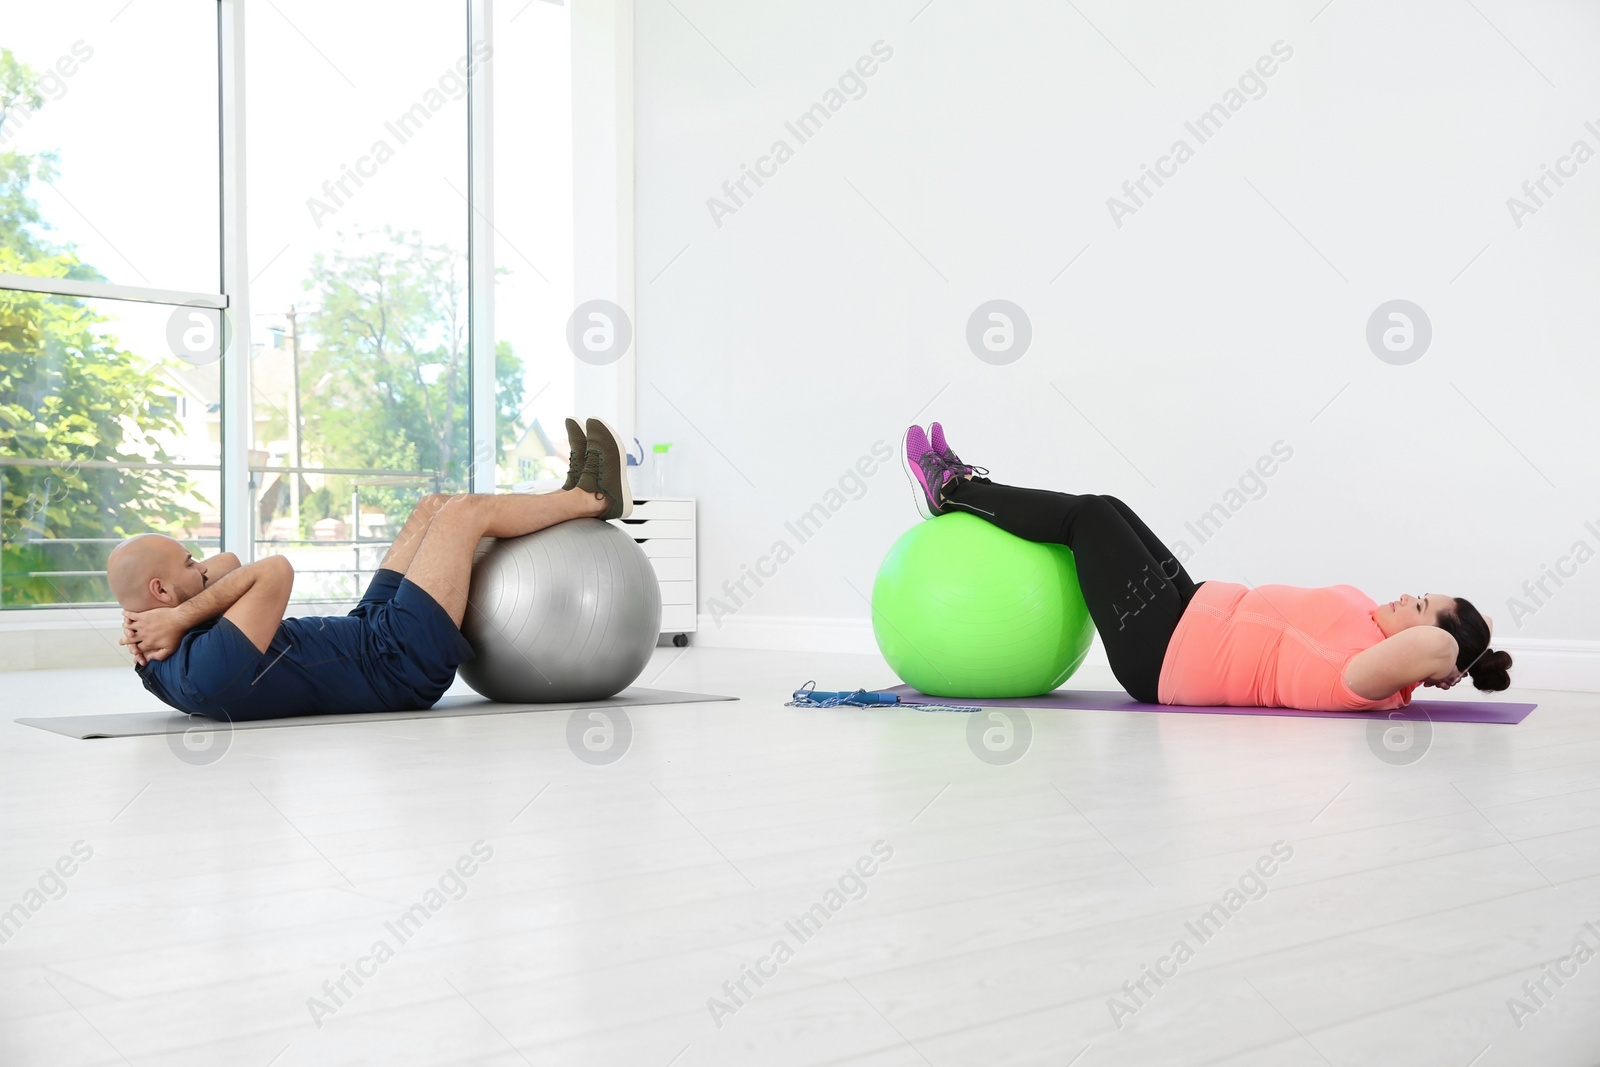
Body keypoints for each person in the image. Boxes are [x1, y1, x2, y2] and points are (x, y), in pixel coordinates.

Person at [900, 423, 1512, 711]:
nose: (1408, 598)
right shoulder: (1375, 633)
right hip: (1188, 608)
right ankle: (965, 485)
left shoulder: (1360, 680)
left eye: (1421, 607)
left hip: (1164, 655)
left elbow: (1436, 647)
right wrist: (1475, 644)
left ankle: (951, 491)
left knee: (1084, 519)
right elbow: (1449, 635)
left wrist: (1456, 664)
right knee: (1107, 506)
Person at [113, 417, 631, 722]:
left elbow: (225, 565)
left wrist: (169, 615)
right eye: (186, 561)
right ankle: (591, 499)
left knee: (432, 507)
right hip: (395, 664)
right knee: (464, 515)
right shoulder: (200, 667)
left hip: (367, 631)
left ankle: (568, 496)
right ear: (160, 590)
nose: (201, 563)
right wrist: (178, 619)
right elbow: (273, 570)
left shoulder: (161, 646)